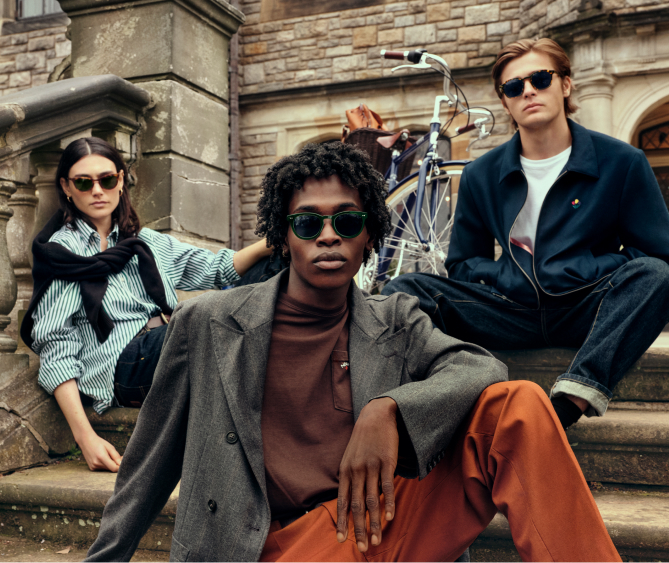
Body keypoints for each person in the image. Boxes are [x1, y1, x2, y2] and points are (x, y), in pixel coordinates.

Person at [86, 142, 620, 562]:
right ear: (284, 236)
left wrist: (388, 409)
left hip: (381, 523)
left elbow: (481, 366)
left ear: (368, 238)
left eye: (346, 221)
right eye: (307, 222)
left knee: (519, 406)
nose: (327, 236)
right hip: (272, 546)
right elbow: (147, 465)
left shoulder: (395, 318)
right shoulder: (209, 323)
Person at [382, 38, 669, 430]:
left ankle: (572, 398)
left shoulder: (621, 162)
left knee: (658, 279)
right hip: (509, 310)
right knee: (405, 291)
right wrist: (503, 277)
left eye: (541, 79)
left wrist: (585, 268)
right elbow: (462, 264)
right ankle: (421, 397)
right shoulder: (481, 175)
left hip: (585, 307)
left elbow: (660, 256)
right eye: (513, 87)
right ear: (505, 101)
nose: (528, 90)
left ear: (566, 85)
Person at [21, 137, 272, 473]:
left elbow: (217, 269)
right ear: (67, 187)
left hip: (167, 344)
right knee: (205, 321)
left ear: (121, 180)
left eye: (107, 179)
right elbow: (56, 348)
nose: (98, 190)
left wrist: (278, 242)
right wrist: (86, 437)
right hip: (124, 365)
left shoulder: (145, 242)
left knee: (274, 268)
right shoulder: (62, 253)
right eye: (84, 182)